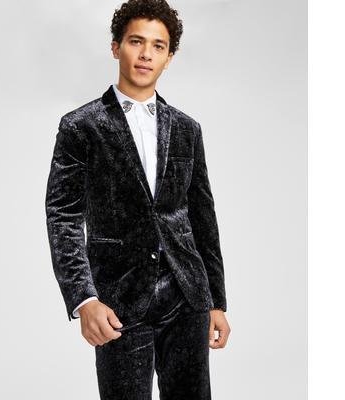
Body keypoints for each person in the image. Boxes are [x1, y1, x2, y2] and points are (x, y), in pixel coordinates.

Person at [45, 0, 231, 398]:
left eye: (158, 46)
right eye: (136, 41)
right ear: (116, 47)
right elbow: (63, 216)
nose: (146, 53)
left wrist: (216, 301)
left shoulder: (188, 129)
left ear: (169, 57)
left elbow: (203, 217)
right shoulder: (81, 126)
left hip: (187, 296)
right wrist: (84, 299)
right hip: (118, 300)